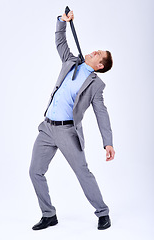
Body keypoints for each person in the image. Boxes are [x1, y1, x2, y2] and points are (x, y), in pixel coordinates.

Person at [29, 10, 115, 231]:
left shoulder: (96, 85)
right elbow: (60, 41)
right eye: (96, 50)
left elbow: (101, 113)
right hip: (47, 127)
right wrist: (62, 22)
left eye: (99, 54)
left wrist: (108, 142)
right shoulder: (71, 62)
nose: (94, 51)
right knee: (35, 171)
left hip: (68, 132)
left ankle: (103, 213)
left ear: (100, 66)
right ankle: (49, 215)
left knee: (83, 172)